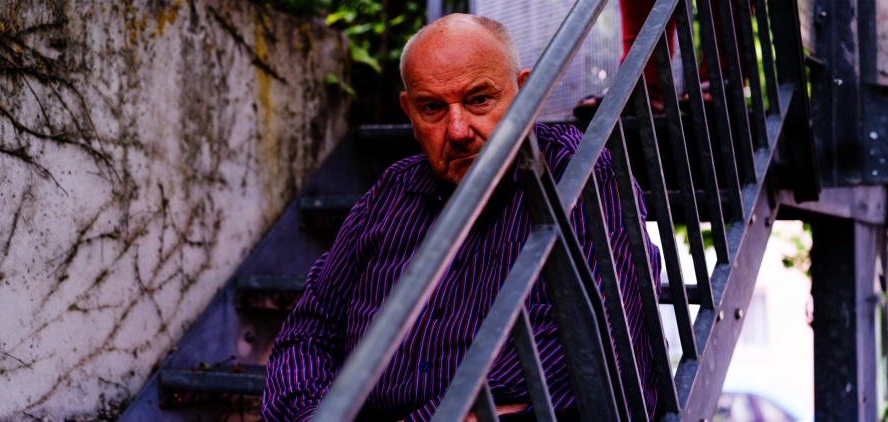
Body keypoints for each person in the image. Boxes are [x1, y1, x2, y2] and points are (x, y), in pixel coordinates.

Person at [261, 14, 662, 422]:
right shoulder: (391, 193)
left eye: (479, 99)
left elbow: (581, 343)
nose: (457, 130)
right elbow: (309, 329)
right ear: (409, 113)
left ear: (524, 92)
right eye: (432, 108)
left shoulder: (577, 173)